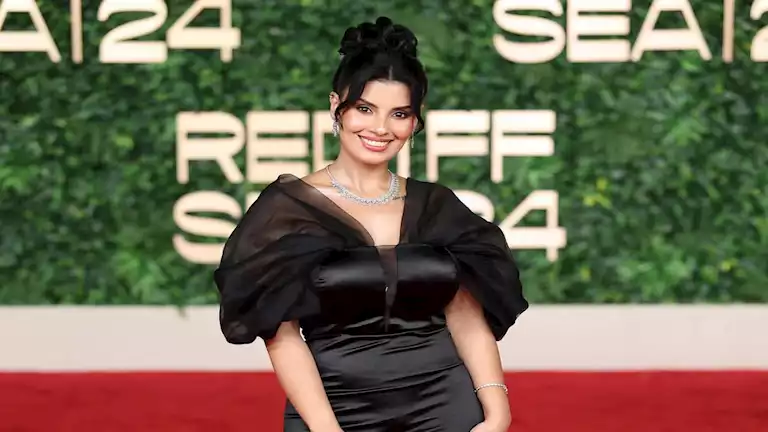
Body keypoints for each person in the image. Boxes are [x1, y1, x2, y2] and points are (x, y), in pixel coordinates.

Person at [213, 16, 529, 432]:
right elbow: (281, 336)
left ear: (415, 121)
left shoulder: (436, 206)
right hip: (334, 409)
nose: (380, 128)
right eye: (365, 109)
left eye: (399, 114)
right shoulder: (287, 209)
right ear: (335, 106)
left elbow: (466, 316)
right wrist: (326, 428)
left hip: (446, 407)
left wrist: (497, 409)